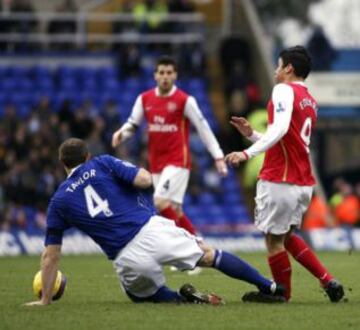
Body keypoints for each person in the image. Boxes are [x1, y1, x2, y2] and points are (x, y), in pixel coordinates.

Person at [25, 138, 285, 306]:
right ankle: (269, 287)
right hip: (150, 230)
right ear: (87, 157)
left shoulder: (58, 200)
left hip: (125, 257)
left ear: (62, 163)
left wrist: (45, 299)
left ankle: (183, 301)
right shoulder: (103, 163)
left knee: (140, 295)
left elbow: (50, 256)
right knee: (208, 256)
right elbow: (144, 180)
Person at [224, 46, 344, 303]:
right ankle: (327, 280)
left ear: (289, 68)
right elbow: (286, 138)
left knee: (273, 241)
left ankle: (283, 294)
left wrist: (246, 154)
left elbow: (278, 131)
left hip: (281, 179)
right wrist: (251, 135)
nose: (276, 70)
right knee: (287, 237)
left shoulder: (282, 89)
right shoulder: (309, 99)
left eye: (279, 65)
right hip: (302, 182)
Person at [112, 56, 228, 236]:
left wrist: (218, 156)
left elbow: (203, 127)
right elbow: (133, 123)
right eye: (161, 72)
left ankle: (186, 249)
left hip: (177, 160)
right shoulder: (145, 99)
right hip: (156, 161)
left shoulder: (184, 100)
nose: (165, 76)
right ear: (155, 76)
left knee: (159, 201)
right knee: (175, 210)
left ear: (175, 75)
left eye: (169, 73)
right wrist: (122, 133)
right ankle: (198, 247)